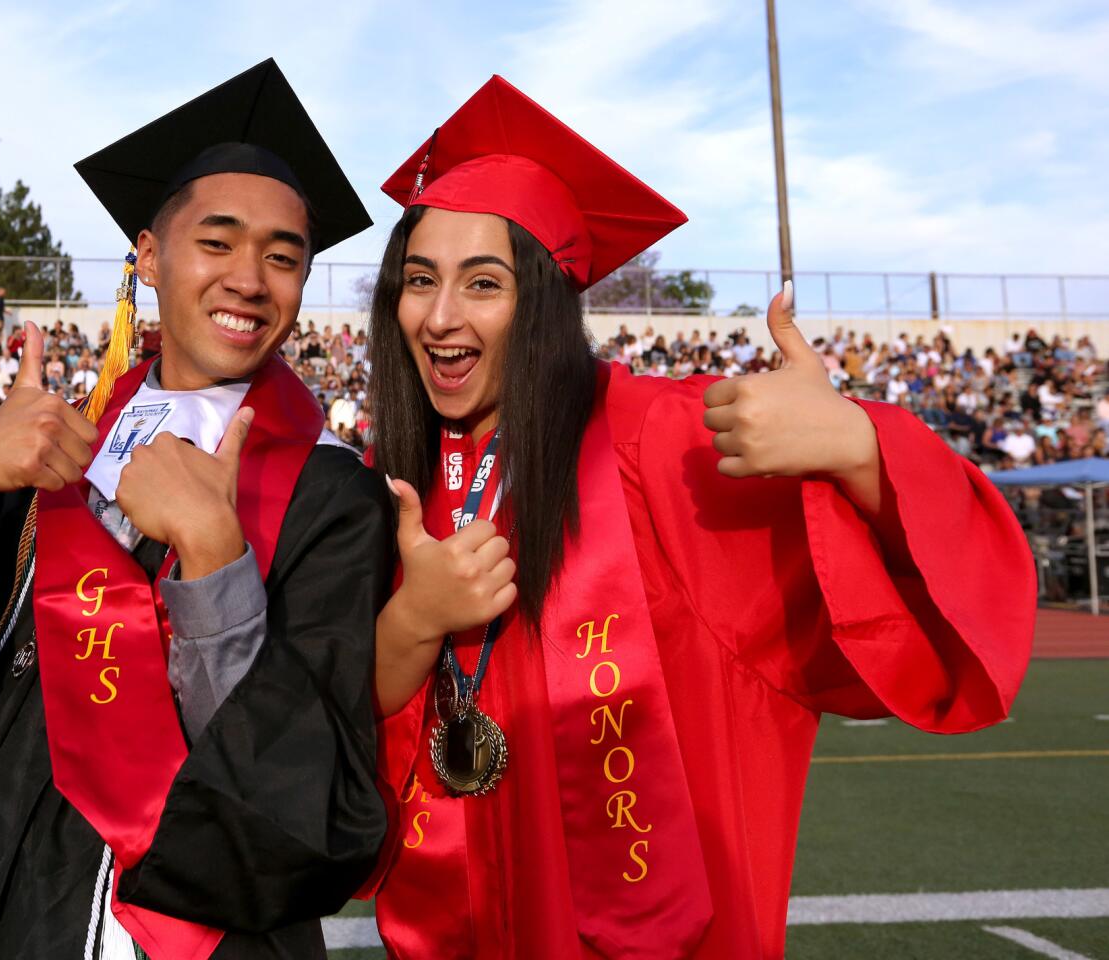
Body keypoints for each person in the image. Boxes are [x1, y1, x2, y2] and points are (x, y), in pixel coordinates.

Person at [359, 77, 1034, 960]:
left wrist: (861, 450)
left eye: (482, 283)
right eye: (418, 280)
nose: (440, 316)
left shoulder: (665, 444)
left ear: (544, 302)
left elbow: (938, 616)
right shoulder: (391, 484)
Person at [0, 59, 390, 960]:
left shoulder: (332, 492)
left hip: (167, 920)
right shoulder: (55, 449)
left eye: (283, 257)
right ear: (149, 257)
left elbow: (300, 783)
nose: (250, 278)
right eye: (217, 240)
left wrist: (213, 556)